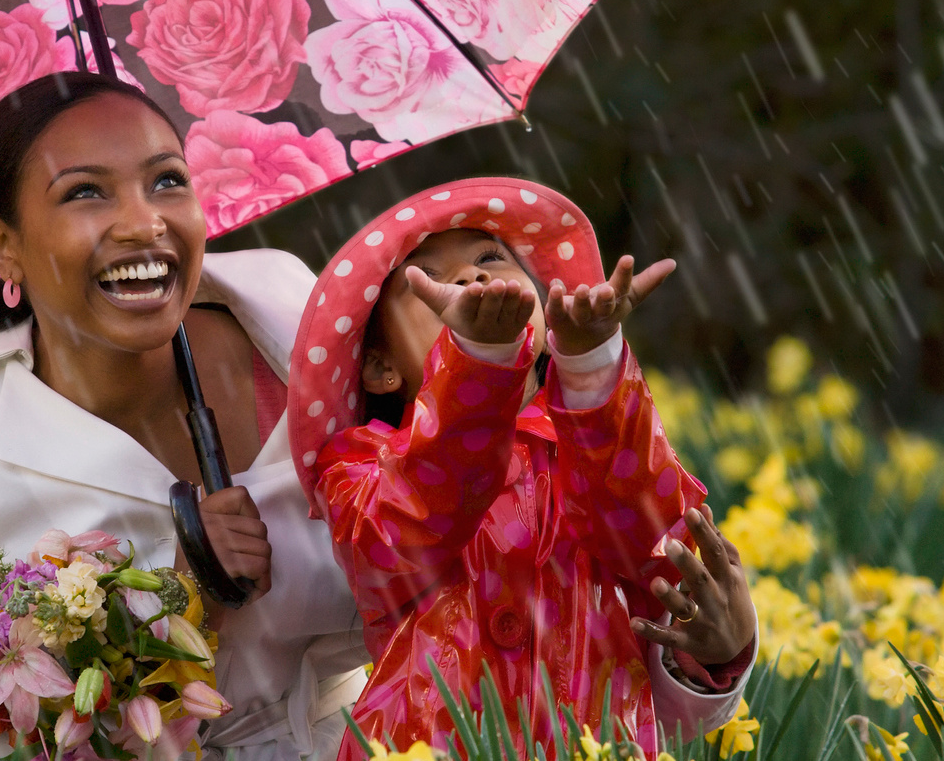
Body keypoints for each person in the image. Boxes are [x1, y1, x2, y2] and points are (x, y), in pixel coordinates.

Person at [0, 72, 367, 761]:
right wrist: (174, 594)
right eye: (85, 192)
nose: (142, 223)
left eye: (166, 181)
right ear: (4, 245)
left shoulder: (304, 324)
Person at [286, 178, 758, 760]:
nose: (471, 278)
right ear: (380, 367)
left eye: (490, 258)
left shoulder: (594, 434)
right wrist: (478, 362)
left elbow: (657, 551)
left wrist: (590, 363)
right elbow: (399, 538)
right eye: (428, 278)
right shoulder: (360, 462)